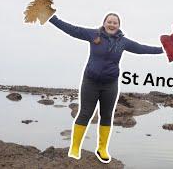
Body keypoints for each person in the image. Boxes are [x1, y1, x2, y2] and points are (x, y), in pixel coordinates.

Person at [48, 13, 164, 163]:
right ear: (104, 23)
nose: (112, 24)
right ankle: (75, 147)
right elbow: (72, 30)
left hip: (110, 84)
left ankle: (102, 148)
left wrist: (162, 50)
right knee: (85, 113)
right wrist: (52, 18)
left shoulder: (123, 42)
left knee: (107, 115)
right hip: (90, 82)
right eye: (109, 22)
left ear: (119, 26)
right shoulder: (93, 34)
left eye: (115, 23)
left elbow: (142, 48)